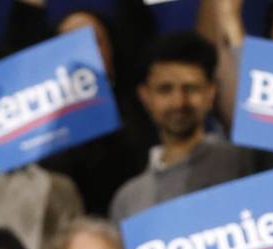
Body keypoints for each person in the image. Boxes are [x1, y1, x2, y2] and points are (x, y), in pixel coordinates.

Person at [108, 32, 261, 224]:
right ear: (145, 96)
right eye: (165, 89)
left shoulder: (244, 160)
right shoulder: (128, 200)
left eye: (191, 88)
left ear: (211, 93)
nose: (179, 102)